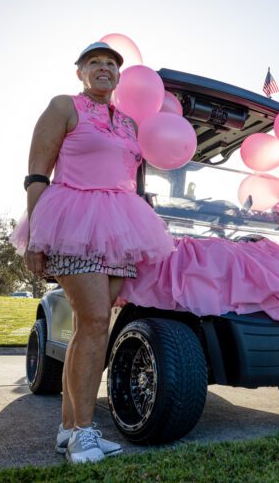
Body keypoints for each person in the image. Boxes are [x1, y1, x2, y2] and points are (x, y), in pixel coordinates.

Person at [11, 42, 174, 463]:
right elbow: (36, 173)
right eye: (95, 63)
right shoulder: (64, 106)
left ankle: (71, 429)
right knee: (97, 320)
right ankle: (83, 431)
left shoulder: (129, 123)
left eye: (111, 65)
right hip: (72, 222)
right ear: (81, 71)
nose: (104, 69)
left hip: (120, 226)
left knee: (91, 328)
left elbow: (131, 178)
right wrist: (37, 236)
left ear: (119, 78)